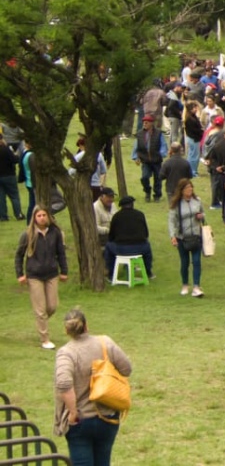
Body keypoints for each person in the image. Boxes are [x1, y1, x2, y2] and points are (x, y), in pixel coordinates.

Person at [54, 309, 132, 466]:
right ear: (86, 326)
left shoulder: (66, 353)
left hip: (80, 420)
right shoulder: (105, 343)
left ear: (66, 330)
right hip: (107, 416)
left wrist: (73, 413)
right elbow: (127, 369)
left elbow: (63, 383)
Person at [15, 208, 68, 349]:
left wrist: (64, 271)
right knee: (40, 309)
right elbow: (19, 255)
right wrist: (20, 274)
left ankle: (41, 321)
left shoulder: (55, 233)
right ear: (34, 217)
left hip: (51, 273)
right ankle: (45, 339)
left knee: (52, 306)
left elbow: (61, 253)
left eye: (44, 215)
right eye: (39, 215)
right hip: (34, 275)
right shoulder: (27, 234)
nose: (42, 218)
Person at [168, 178, 206, 297]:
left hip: (196, 236)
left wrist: (201, 216)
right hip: (182, 237)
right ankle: (185, 284)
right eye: (187, 188)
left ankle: (196, 286)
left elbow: (203, 214)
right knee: (184, 263)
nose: (189, 190)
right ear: (181, 190)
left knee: (196, 261)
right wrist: (173, 236)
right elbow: (171, 220)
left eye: (191, 187)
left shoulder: (197, 201)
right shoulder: (176, 204)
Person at [105, 196, 153, 280]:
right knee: (147, 246)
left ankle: (111, 273)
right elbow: (146, 234)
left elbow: (111, 236)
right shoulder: (140, 214)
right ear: (132, 204)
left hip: (121, 249)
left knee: (108, 246)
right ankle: (148, 272)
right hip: (139, 248)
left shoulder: (116, 216)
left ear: (121, 206)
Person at [132, 115, 167, 202]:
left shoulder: (159, 133)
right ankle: (147, 191)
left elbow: (163, 145)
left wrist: (161, 154)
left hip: (156, 160)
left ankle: (157, 195)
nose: (145, 124)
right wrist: (136, 157)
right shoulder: (139, 134)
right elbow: (136, 147)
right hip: (145, 160)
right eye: (144, 122)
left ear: (151, 123)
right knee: (144, 177)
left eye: (147, 122)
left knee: (158, 178)